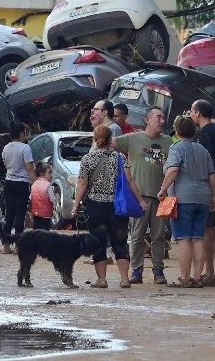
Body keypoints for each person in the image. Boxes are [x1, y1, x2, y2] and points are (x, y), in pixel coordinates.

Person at [72, 125, 146, 289]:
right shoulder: (120, 157)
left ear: (94, 139)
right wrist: (140, 200)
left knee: (98, 242)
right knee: (119, 242)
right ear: (111, 139)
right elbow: (130, 181)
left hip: (95, 207)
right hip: (117, 207)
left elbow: (82, 183)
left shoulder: (88, 159)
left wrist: (75, 204)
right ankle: (125, 279)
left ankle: (102, 280)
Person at [115, 106, 173, 285]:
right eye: (158, 117)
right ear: (147, 119)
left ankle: (158, 271)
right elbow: (107, 142)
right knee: (137, 235)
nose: (162, 121)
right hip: (138, 196)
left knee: (159, 236)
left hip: (162, 196)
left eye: (163, 118)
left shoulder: (168, 141)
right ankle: (136, 270)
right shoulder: (133, 138)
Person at [157, 116, 215, 288]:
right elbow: (212, 175)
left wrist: (163, 189)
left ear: (177, 131)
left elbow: (173, 169)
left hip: (183, 198)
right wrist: (212, 196)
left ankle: (184, 277)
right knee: (198, 238)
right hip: (203, 197)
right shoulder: (202, 149)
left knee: (183, 239)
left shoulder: (177, 148)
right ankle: (197, 277)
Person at [190, 99, 215, 287]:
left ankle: (209, 272)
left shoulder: (205, 133)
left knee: (206, 229)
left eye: (192, 111)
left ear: (198, 113)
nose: (190, 115)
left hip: (209, 187)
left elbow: (206, 162)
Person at [0, 121, 35, 254]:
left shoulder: (6, 147)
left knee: (9, 214)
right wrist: (35, 182)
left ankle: (6, 245)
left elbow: (5, 163)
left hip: (9, 182)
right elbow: (30, 168)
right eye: (25, 133)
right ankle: (18, 246)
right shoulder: (25, 148)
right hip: (22, 183)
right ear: (20, 133)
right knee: (20, 213)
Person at [30, 162, 57, 230]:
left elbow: (31, 197)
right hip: (46, 214)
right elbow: (53, 199)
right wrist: (56, 199)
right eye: (49, 173)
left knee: (36, 232)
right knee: (45, 233)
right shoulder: (48, 185)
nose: (51, 175)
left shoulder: (34, 184)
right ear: (42, 174)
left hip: (35, 213)